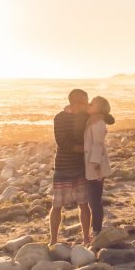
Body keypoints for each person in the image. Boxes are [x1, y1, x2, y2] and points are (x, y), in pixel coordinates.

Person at [50, 89, 91, 245]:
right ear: (74, 103)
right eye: (84, 102)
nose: (87, 105)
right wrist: (86, 148)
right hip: (63, 167)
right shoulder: (59, 118)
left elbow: (107, 119)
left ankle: (86, 238)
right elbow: (62, 143)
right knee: (57, 205)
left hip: (81, 167)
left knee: (83, 204)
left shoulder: (86, 116)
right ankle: (53, 240)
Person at [84, 96, 112, 237]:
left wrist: (96, 165)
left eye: (92, 103)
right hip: (90, 163)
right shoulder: (92, 119)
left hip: (95, 165)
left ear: (99, 108)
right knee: (92, 199)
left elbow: (97, 145)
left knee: (95, 200)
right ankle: (95, 229)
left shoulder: (98, 122)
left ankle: (97, 231)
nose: (89, 104)